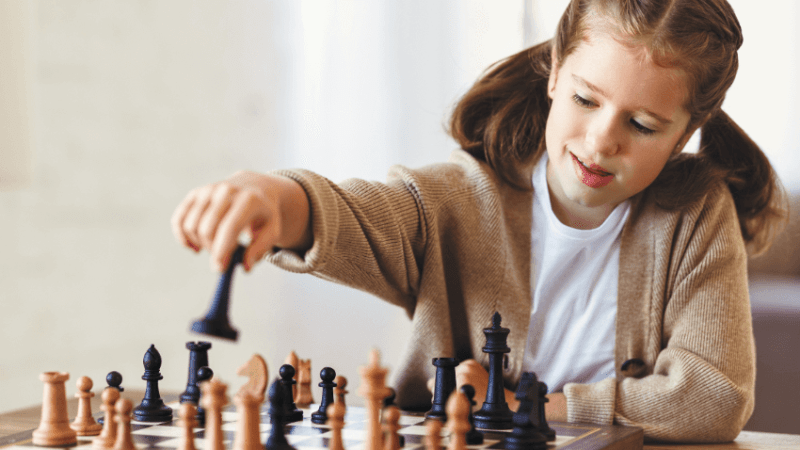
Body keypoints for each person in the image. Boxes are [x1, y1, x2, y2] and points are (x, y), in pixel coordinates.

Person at [171, 0, 787, 443]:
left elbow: (714, 398)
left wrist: (545, 405)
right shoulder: (456, 202)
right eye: (585, 99)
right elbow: (341, 213)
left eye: (644, 125)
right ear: (553, 73)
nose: (602, 142)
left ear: (688, 132)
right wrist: (268, 196)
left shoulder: (695, 215)